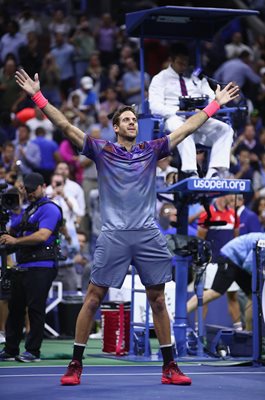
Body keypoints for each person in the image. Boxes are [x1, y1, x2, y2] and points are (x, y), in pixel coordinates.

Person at [14, 67, 239, 385]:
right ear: (116, 127)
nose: (133, 122)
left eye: (135, 119)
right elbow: (64, 124)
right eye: (127, 120)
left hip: (148, 234)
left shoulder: (152, 150)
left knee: (158, 299)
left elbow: (188, 128)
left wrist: (215, 104)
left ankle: (169, 367)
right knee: (93, 297)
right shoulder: (102, 150)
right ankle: (75, 365)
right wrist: (37, 96)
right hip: (114, 235)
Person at [0, 172, 62, 362]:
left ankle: (33, 351)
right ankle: (11, 349)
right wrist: (17, 206)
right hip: (23, 265)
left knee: (35, 309)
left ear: (43, 186)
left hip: (42, 265)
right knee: (16, 309)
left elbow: (43, 235)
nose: (30, 193)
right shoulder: (29, 209)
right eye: (26, 190)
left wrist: (16, 240)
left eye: (32, 189)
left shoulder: (50, 209)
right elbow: (13, 228)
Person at [148, 43, 234, 179]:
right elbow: (155, 106)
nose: (183, 66)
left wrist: (201, 108)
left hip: (198, 116)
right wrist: (179, 111)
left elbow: (212, 98)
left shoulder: (196, 78)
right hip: (174, 118)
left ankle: (215, 171)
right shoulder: (160, 78)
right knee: (184, 129)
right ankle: (190, 172)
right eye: (180, 63)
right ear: (172, 60)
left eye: (185, 63)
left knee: (225, 129)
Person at [187, 232, 265, 331]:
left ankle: (250, 334)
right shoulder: (263, 242)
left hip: (239, 261)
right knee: (215, 292)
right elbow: (249, 264)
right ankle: (180, 315)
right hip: (229, 257)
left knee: (254, 297)